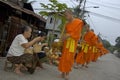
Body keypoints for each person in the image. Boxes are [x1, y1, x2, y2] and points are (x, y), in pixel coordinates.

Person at [58, 9, 84, 80]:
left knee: (69, 59)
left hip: (72, 43)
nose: (66, 17)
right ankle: (63, 73)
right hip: (66, 42)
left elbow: (78, 35)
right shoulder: (67, 24)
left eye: (66, 15)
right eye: (65, 16)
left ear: (70, 14)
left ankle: (67, 74)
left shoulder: (78, 22)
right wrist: (63, 38)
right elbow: (65, 32)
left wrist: (69, 35)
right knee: (63, 57)